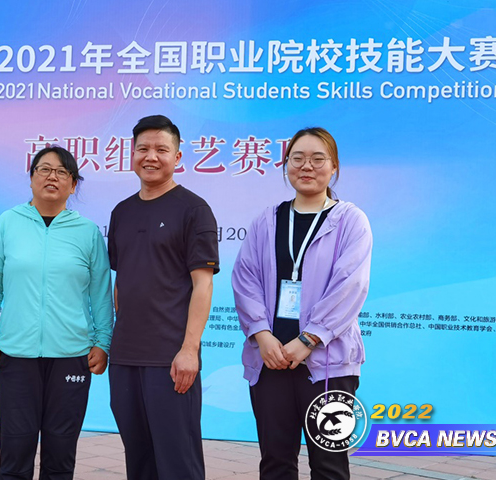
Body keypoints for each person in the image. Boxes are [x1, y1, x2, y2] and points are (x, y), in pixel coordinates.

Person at [232, 127, 372, 480]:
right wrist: (262, 335)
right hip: (272, 360)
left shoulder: (350, 221)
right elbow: (245, 278)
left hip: (328, 365)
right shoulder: (267, 220)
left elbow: (350, 285)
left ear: (334, 167)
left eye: (317, 158)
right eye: (297, 158)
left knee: (329, 466)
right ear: (286, 165)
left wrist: (309, 338)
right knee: (276, 462)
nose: (306, 166)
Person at [0, 146, 113, 480]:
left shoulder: (87, 232)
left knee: (61, 453)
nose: (52, 177)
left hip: (72, 355)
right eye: (44, 169)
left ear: (73, 184)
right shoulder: (8, 223)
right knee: (15, 450)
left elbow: (101, 293)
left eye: (62, 172)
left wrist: (103, 343)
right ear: (31, 178)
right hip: (16, 353)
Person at [107, 115, 219, 480]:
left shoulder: (193, 210)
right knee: (138, 458)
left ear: (177, 156)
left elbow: (203, 285)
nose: (151, 157)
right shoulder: (122, 212)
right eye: (143, 149)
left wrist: (189, 350)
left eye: (161, 149)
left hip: (170, 358)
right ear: (132, 154)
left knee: (177, 461)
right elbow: (122, 281)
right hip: (125, 357)